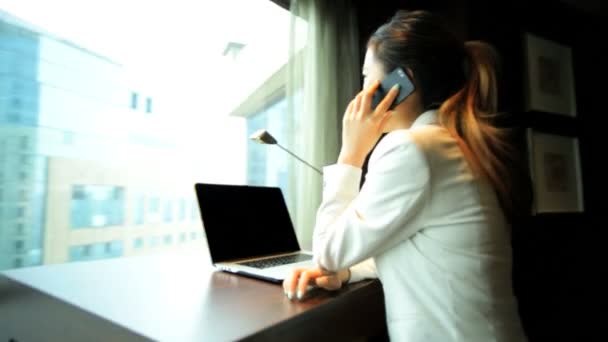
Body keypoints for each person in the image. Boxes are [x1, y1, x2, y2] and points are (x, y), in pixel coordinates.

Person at [282, 9, 528, 342]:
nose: (361, 93)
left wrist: (350, 154)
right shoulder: (451, 144)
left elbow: (326, 252)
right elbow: (419, 246)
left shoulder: (412, 149)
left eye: (368, 78)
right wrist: (348, 270)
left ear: (401, 83)